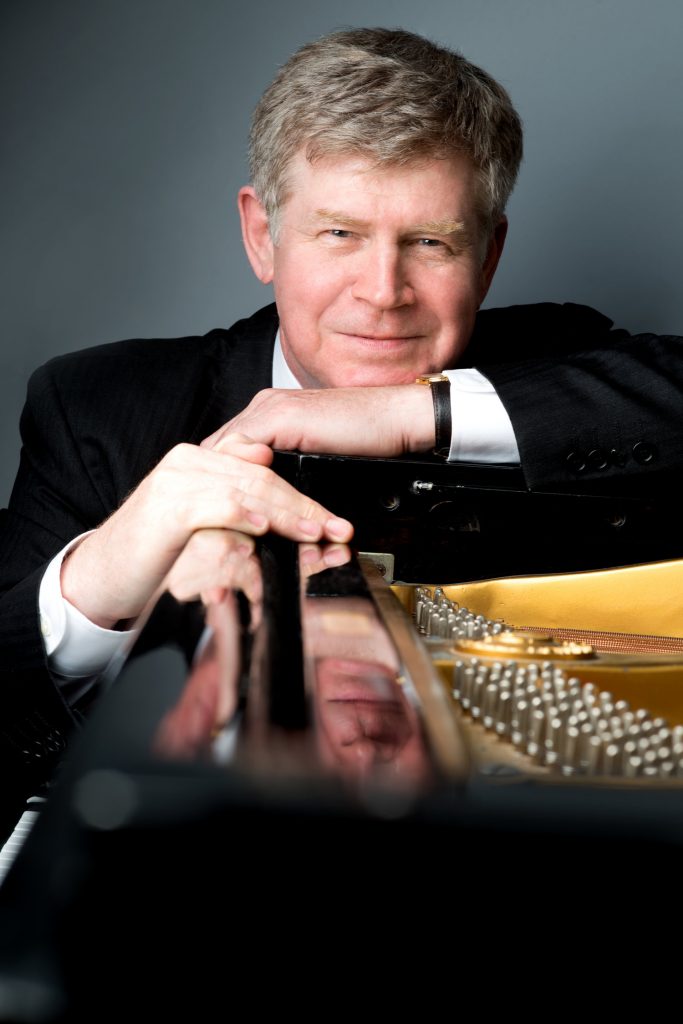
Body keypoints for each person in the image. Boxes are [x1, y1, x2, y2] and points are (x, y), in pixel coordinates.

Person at [1, 26, 681, 819]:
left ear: (488, 258)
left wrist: (405, 412)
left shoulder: (556, 356)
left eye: (429, 243)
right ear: (263, 235)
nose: (382, 291)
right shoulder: (100, 408)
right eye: (340, 234)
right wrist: (92, 586)